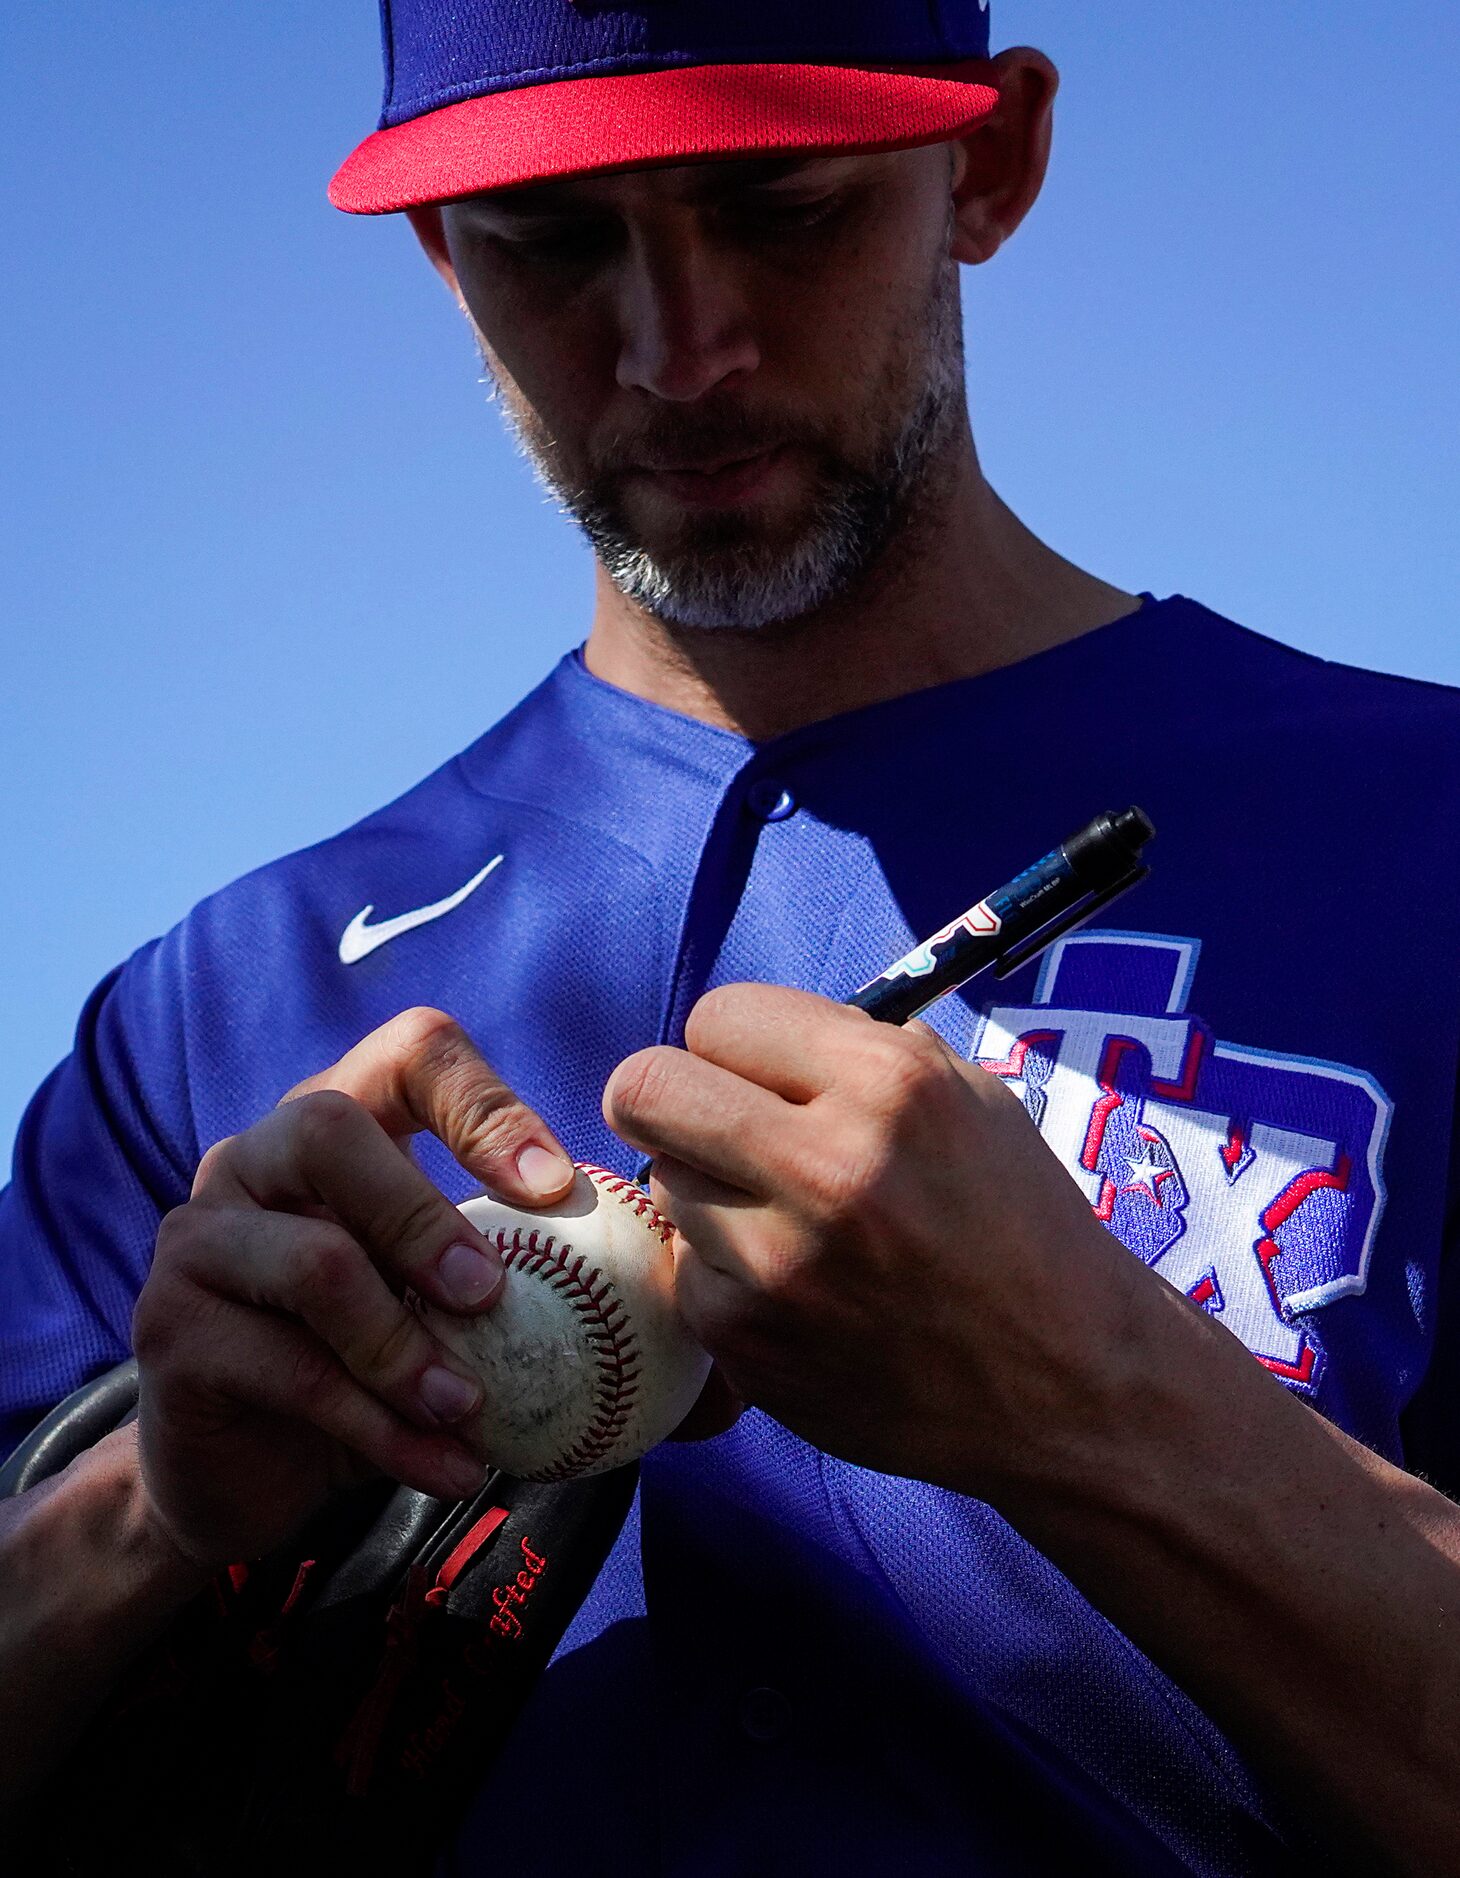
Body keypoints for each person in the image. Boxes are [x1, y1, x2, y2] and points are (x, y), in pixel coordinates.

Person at [3, 1, 1459, 1870]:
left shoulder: (1413, 842)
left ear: (987, 163)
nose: (676, 351)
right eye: (553, 240)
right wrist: (156, 1509)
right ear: (445, 252)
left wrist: (1101, 1399)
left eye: (781, 206)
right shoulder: (221, 1007)